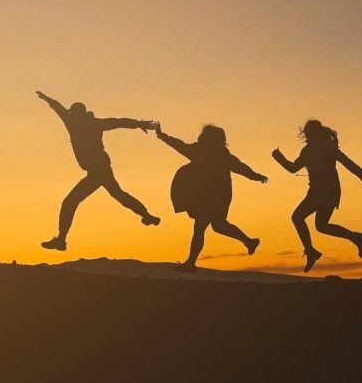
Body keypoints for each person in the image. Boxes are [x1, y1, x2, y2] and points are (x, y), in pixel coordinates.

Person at [35, 91, 160, 251]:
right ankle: (147, 216)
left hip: (97, 171)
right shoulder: (92, 123)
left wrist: (47, 99)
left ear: (75, 114)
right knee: (118, 194)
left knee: (70, 202)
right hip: (100, 169)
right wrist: (139, 124)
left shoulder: (73, 123)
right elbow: (118, 122)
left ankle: (61, 240)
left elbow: (60, 109)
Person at [155, 123, 268, 271]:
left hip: (211, 197)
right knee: (219, 226)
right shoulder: (221, 154)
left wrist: (255, 176)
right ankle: (249, 241)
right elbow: (240, 166)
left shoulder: (205, 152)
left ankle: (190, 264)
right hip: (218, 196)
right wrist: (255, 176)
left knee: (201, 227)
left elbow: (240, 167)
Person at [273, 120, 362, 273]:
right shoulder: (307, 151)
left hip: (328, 191)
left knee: (301, 219)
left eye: (310, 133)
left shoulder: (327, 147)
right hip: (316, 192)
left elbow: (346, 162)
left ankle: (313, 251)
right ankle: (356, 238)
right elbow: (293, 168)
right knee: (319, 225)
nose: (308, 136)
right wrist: (279, 158)